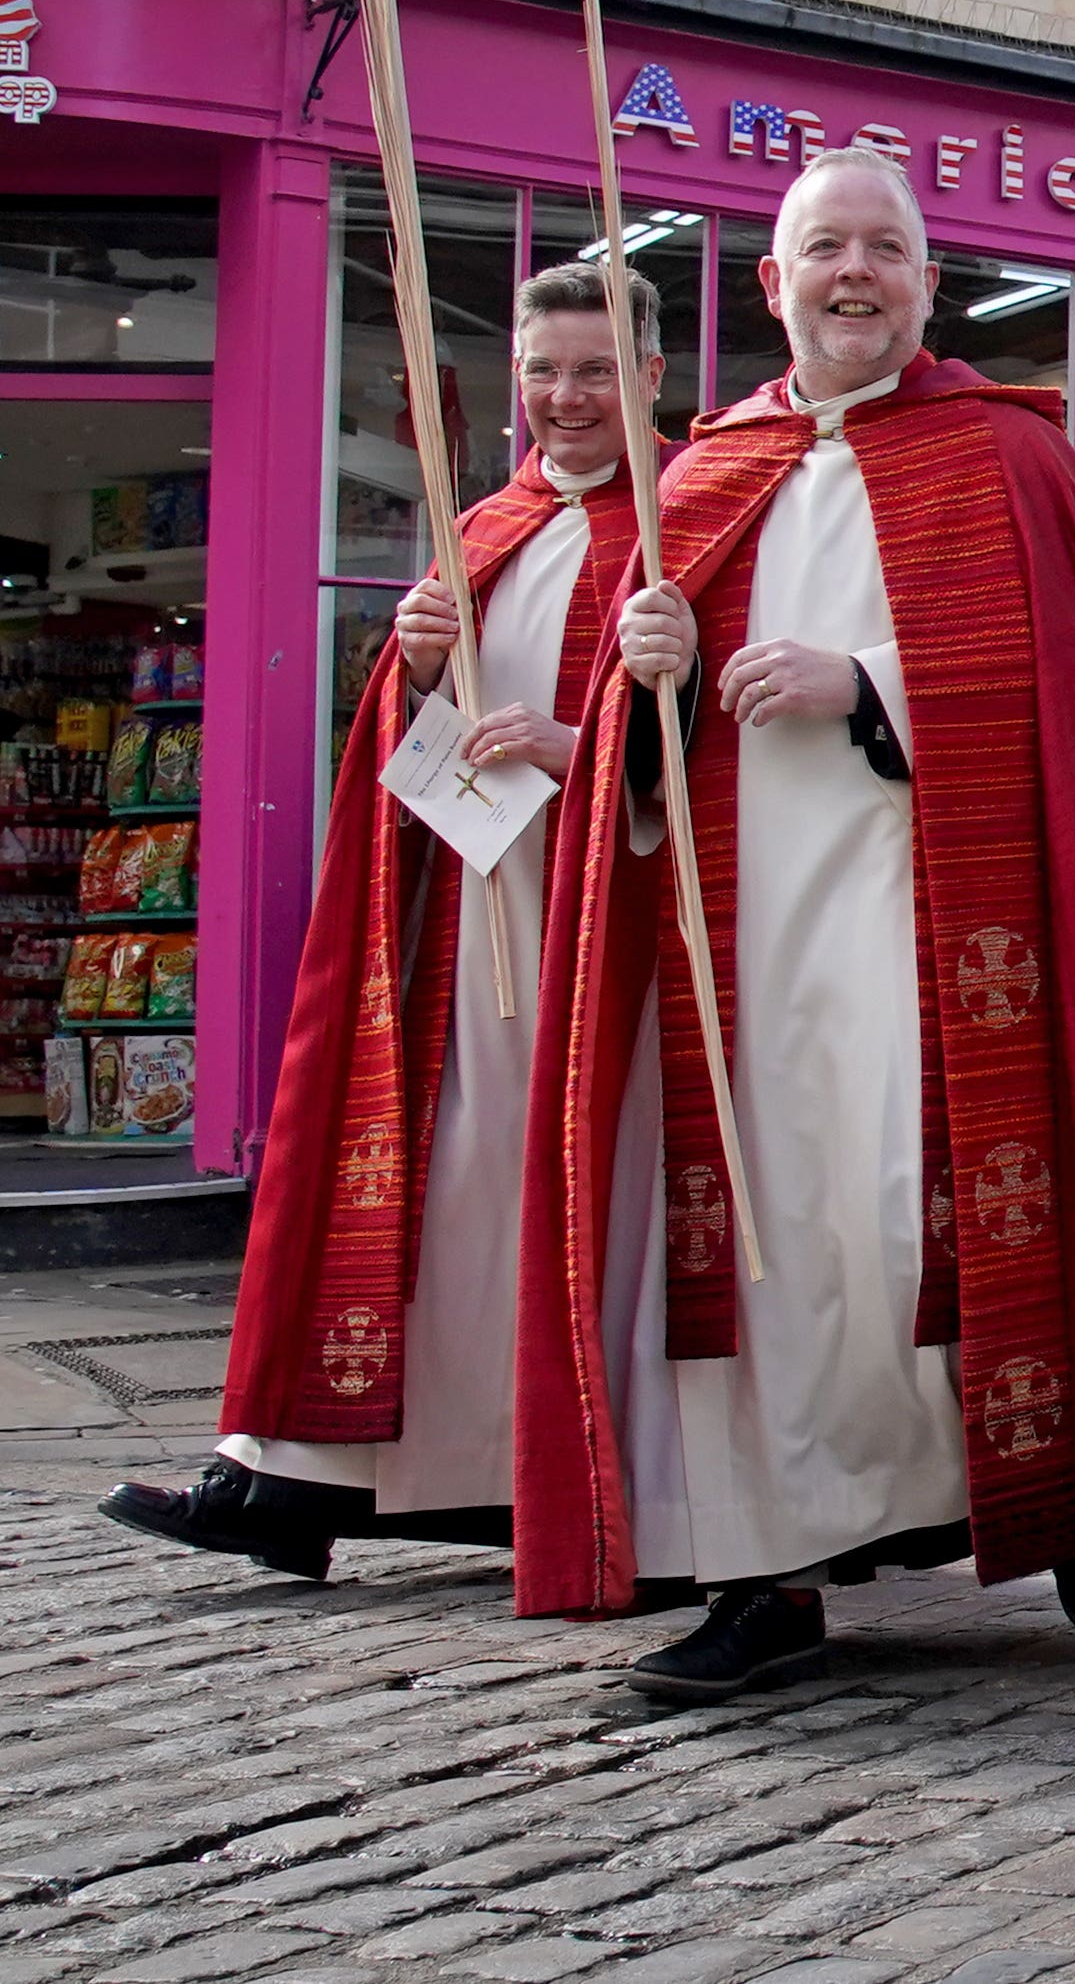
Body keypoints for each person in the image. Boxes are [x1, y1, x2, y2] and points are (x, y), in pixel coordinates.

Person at [529, 147, 1075, 1696]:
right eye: (822, 246)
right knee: (770, 1250)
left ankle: (1073, 1485)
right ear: (771, 282)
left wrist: (870, 684)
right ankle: (768, 1571)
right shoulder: (698, 478)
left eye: (883, 248)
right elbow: (630, 776)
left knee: (923, 1222)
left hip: (944, 935)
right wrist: (648, 674)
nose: (852, 273)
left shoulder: (1007, 459)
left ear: (926, 280)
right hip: (743, 957)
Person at [103, 269, 665, 1581]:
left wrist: (585, 746)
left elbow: (731, 750)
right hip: (460, 931)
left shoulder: (687, 524)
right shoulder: (487, 524)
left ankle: (537, 1475)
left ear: (647, 375)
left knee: (538, 1213)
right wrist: (407, 667)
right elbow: (406, 759)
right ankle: (293, 1474)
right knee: (415, 1201)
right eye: (543, 372)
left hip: (607, 949)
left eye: (593, 371)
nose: (566, 400)